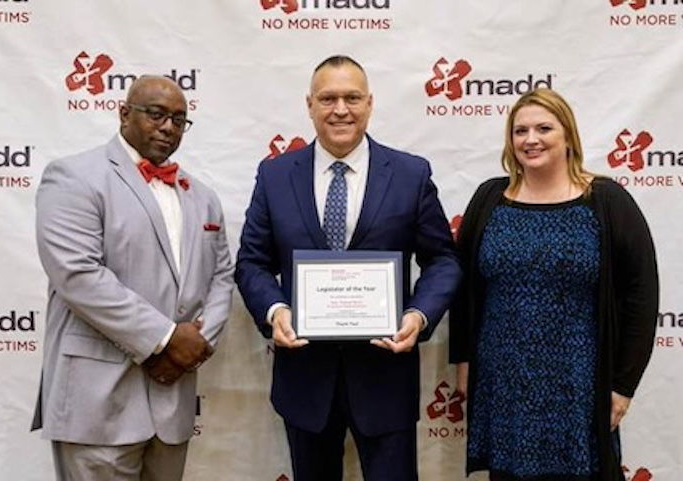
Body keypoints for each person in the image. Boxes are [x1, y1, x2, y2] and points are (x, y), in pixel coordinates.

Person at [235, 55, 461, 481]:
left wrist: (417, 314)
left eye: (352, 97)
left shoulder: (411, 174)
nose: (341, 109)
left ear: (370, 103)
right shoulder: (275, 175)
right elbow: (251, 262)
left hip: (385, 376)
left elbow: (443, 260)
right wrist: (275, 311)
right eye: (328, 98)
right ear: (310, 105)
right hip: (305, 380)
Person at [32, 75, 234, 481]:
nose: (168, 127)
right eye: (156, 114)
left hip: (171, 399)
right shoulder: (74, 176)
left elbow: (222, 277)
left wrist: (194, 345)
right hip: (98, 400)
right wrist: (165, 340)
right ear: (123, 113)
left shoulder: (203, 196)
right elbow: (78, 274)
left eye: (179, 120)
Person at [450, 88, 658, 481]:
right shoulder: (490, 198)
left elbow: (641, 295)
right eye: (520, 130)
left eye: (544, 128)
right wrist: (463, 360)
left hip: (578, 383)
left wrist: (623, 385)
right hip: (503, 380)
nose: (531, 139)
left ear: (568, 136)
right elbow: (463, 287)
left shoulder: (606, 200)